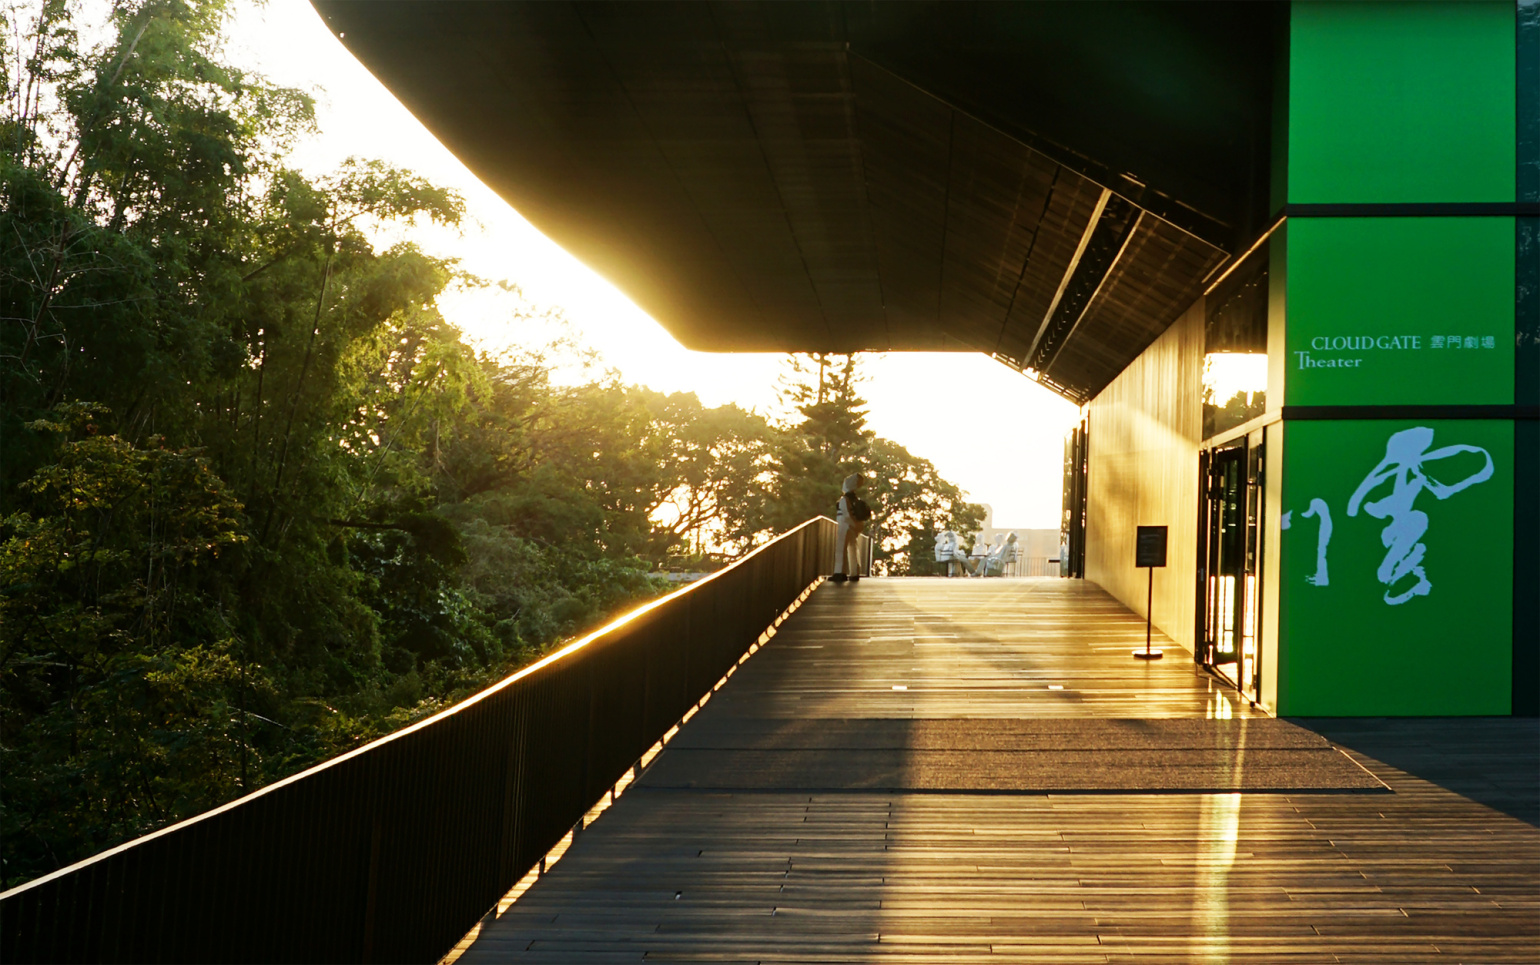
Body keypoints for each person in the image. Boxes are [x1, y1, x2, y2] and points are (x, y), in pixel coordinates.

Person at [831, 472, 870, 583]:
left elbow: (846, 515)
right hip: (853, 526)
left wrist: (851, 524)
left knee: (841, 549)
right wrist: (857, 526)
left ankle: (840, 573)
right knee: (853, 548)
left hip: (844, 525)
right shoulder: (854, 499)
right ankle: (854, 572)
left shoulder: (844, 499)